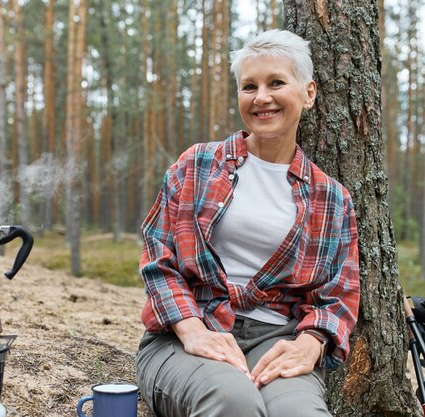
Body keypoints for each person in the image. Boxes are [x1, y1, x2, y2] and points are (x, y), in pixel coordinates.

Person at [135, 29, 360, 417]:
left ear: (309, 93)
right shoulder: (198, 165)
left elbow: (339, 295)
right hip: (185, 331)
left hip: (276, 340)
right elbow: (158, 256)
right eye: (249, 87)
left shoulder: (332, 198)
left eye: (276, 83)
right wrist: (192, 330)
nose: (261, 98)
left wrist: (312, 342)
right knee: (233, 402)